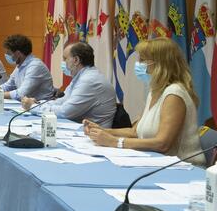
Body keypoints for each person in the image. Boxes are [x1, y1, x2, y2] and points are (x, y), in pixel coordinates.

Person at [86, 37, 204, 166]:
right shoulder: (155, 91)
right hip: (156, 162)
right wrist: (102, 131)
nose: (138, 64)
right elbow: (135, 132)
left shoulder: (174, 94)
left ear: (160, 64)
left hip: (182, 167)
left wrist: (115, 142)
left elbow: (162, 144)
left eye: (142, 60)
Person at [21, 42, 116, 127]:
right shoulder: (81, 77)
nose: (63, 62)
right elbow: (62, 101)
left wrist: (33, 107)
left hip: (94, 135)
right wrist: (37, 104)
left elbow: (65, 112)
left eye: (65, 58)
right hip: (79, 129)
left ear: (76, 60)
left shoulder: (89, 81)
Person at [0, 34, 54, 101]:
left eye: (8, 53)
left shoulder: (35, 66)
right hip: (25, 105)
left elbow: (21, 93)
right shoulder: (21, 65)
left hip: (40, 107)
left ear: (18, 53)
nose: (6, 55)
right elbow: (8, 86)